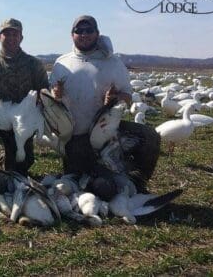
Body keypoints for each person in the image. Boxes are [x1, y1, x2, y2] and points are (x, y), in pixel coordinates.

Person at [50, 15, 160, 197]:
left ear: (97, 33)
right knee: (96, 187)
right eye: (79, 31)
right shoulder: (62, 63)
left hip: (107, 130)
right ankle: (101, 172)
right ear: (72, 35)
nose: (84, 35)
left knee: (149, 137)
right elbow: (52, 101)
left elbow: (128, 97)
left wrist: (116, 98)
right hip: (75, 136)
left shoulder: (113, 62)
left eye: (89, 30)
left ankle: (138, 183)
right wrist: (55, 95)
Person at [0, 18, 49, 175]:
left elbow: (44, 92)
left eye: (14, 34)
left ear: (21, 38)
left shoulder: (34, 65)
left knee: (24, 161)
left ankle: (3, 159)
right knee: (9, 163)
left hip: (24, 122)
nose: (10, 38)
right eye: (6, 34)